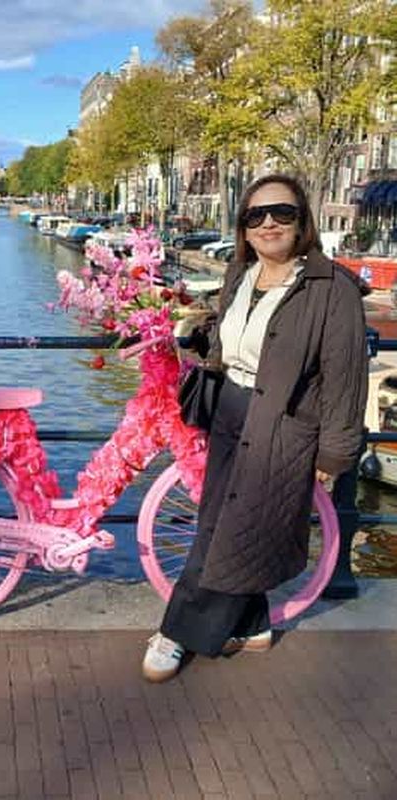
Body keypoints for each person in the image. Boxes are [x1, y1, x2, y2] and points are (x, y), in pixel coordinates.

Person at [142, 173, 368, 682]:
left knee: (228, 532)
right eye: (255, 215)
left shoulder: (332, 289)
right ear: (243, 227)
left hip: (281, 427)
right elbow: (232, 341)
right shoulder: (240, 274)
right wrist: (199, 337)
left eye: (282, 213)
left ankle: (178, 633)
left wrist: (334, 456)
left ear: (302, 221)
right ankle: (254, 624)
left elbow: (346, 379)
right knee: (219, 521)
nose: (268, 223)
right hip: (228, 412)